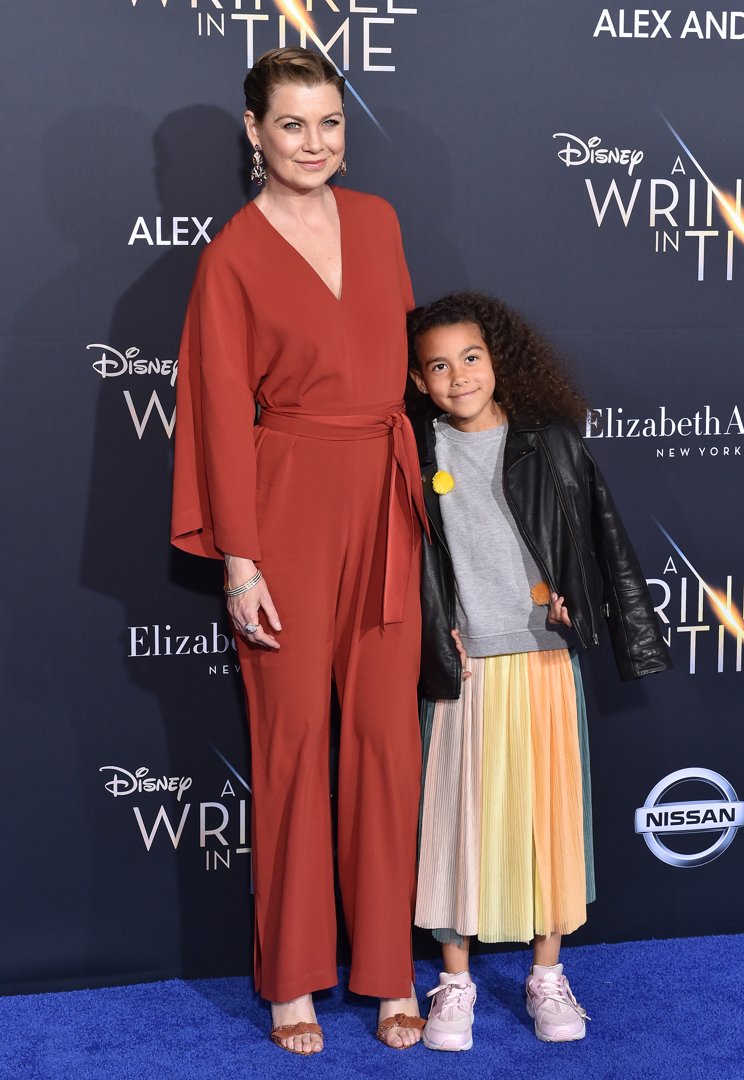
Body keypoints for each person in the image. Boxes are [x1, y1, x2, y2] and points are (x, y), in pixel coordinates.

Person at [171, 48, 428, 1054]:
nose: (315, 143)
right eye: (292, 126)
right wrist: (242, 561)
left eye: (330, 123)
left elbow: (402, 380)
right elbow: (218, 419)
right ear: (253, 133)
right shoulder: (230, 255)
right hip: (284, 509)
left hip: (385, 499)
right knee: (288, 751)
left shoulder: (380, 222)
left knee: (385, 744)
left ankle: (387, 969)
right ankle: (290, 980)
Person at [406, 291, 672, 1051]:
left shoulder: (551, 442)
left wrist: (576, 604)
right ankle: (453, 980)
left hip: (543, 660)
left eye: (470, 358)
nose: (458, 377)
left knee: (546, 820)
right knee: (455, 819)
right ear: (418, 381)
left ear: (498, 362)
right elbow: (404, 559)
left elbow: (600, 544)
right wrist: (432, 629)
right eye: (438, 366)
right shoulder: (416, 451)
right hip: (463, 669)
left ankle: (545, 974)